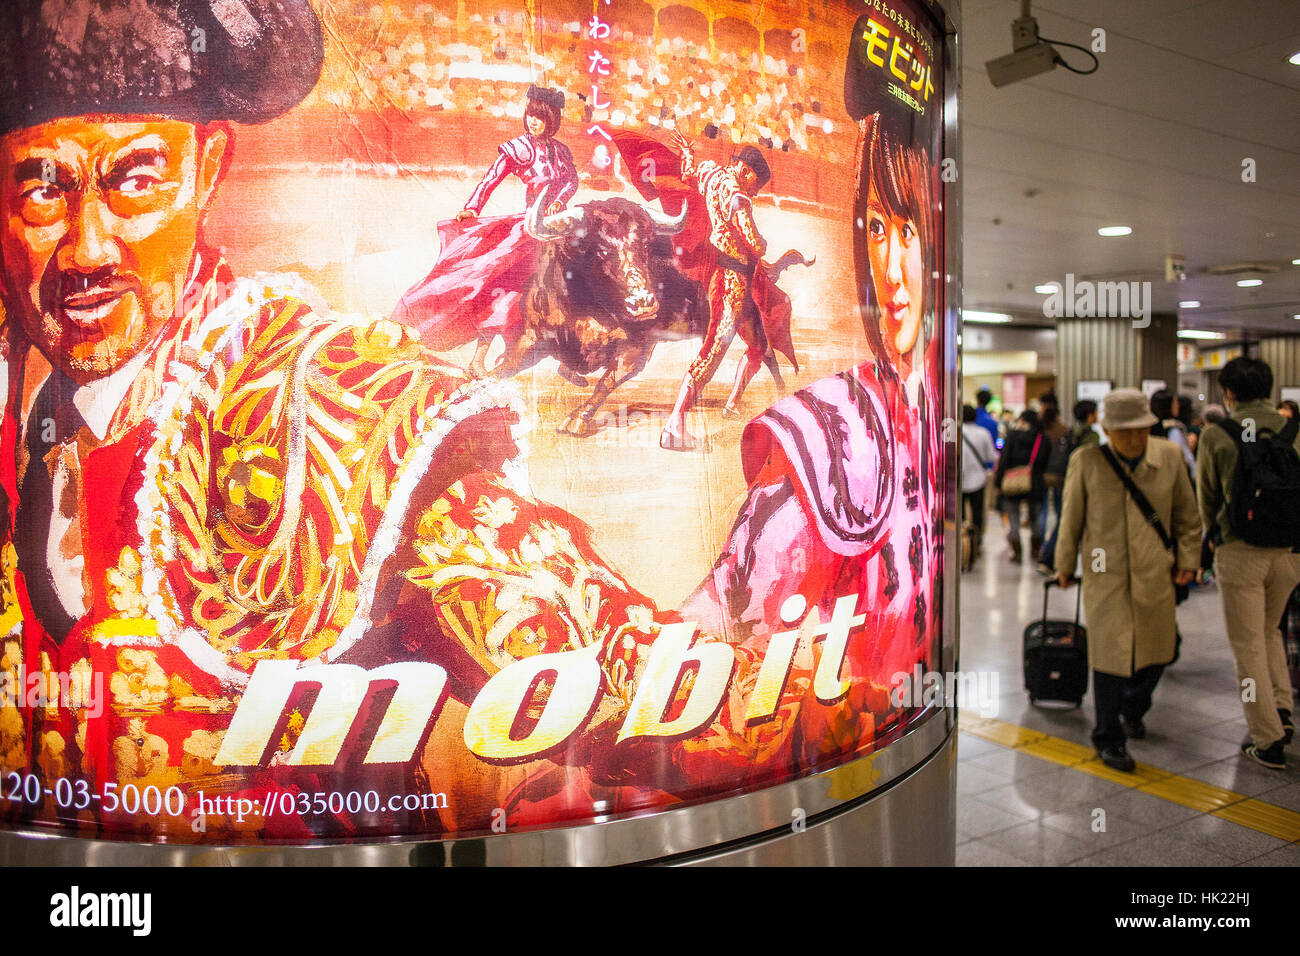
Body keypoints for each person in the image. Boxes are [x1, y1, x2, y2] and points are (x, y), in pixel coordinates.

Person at [1054, 389, 1200, 771]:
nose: (1135, 439)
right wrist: (1064, 564)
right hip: (1107, 575)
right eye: (1125, 432)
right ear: (1107, 429)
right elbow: (1071, 520)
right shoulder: (1086, 460)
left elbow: (1187, 515)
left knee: (1159, 652)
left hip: (1156, 572)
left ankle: (1134, 708)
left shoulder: (1168, 457)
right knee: (1110, 656)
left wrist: (1188, 559)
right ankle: (1108, 736)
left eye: (1141, 430)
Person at [392, 84, 579, 374]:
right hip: (530, 229)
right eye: (530, 115)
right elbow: (490, 179)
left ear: (552, 121)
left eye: (540, 117)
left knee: (578, 285)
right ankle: (479, 358)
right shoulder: (519, 148)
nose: (533, 121)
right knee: (503, 290)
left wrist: (560, 200)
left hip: (560, 228)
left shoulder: (561, 151)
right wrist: (473, 208)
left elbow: (571, 181)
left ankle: (572, 359)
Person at [1197, 357, 1300, 769]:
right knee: (1270, 630)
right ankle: (1283, 712)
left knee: (1247, 646)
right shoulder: (1294, 430)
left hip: (1241, 552)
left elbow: (1207, 499)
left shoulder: (1217, 435)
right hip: (1291, 553)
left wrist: (1214, 541)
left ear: (1229, 393)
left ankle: (1267, 737)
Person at [658, 131, 780, 450]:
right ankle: (674, 424)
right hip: (731, 280)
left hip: (721, 268)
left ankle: (733, 404)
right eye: (756, 181)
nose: (756, 188)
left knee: (757, 343)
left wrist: (687, 153)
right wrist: (763, 243)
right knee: (714, 350)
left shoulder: (711, 171)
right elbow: (754, 242)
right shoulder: (738, 198)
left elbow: (688, 173)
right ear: (744, 170)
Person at [994, 409, 1047, 563]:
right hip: (1035, 483)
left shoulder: (1012, 436)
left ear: (1023, 420)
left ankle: (1017, 552)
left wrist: (999, 483)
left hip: (1012, 483)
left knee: (1014, 517)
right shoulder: (1041, 438)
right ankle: (1036, 551)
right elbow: (1044, 462)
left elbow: (1003, 460)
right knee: (1035, 517)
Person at [1035, 404, 1069, 574]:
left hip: (1042, 477)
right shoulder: (1064, 431)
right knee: (1061, 516)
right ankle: (1048, 554)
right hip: (1061, 478)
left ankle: (1042, 547)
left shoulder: (1040, 432)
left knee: (1043, 513)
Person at [962, 405, 997, 560]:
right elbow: (991, 456)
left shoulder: (956, 432)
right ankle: (977, 542)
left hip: (959, 480)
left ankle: (963, 541)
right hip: (978, 479)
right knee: (977, 513)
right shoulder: (983, 433)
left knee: (960, 514)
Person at [1149, 388, 1195, 473]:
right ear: (1167, 406)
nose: (1178, 405)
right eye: (1175, 403)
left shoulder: (1150, 427)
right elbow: (1184, 458)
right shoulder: (1173, 430)